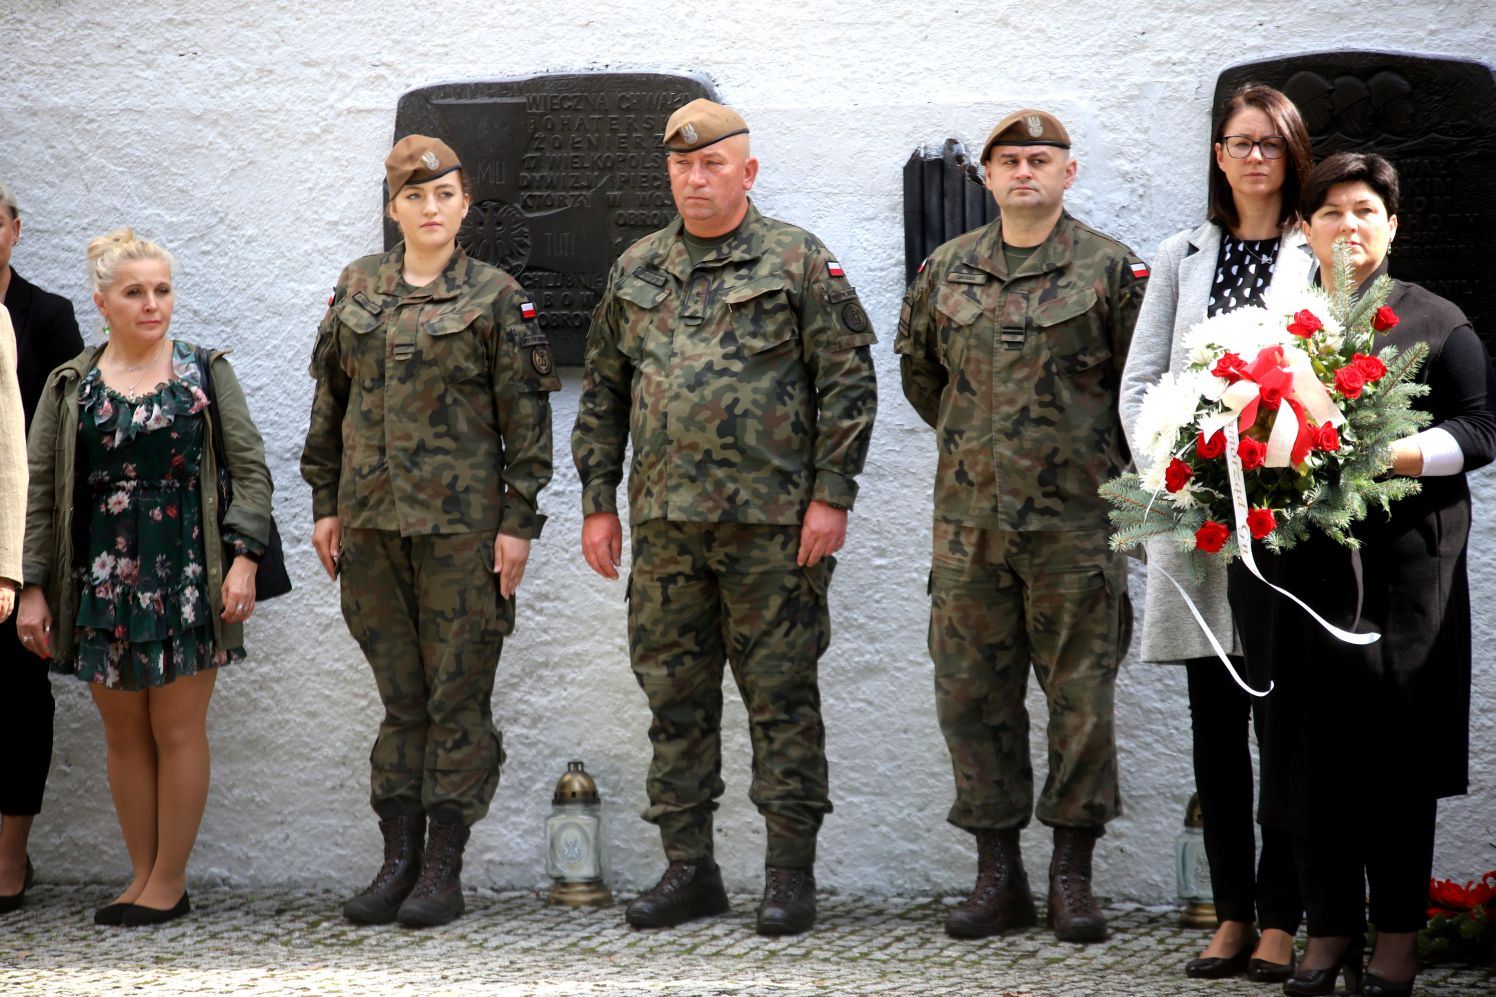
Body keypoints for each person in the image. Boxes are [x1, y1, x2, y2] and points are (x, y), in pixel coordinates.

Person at [572, 98, 877, 936]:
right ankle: (690, 868)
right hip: (667, 529)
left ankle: (788, 875)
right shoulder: (637, 268)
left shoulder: (797, 261)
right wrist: (599, 502)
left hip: (774, 531)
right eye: (681, 165)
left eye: (712, 165)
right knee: (675, 700)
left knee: (781, 698)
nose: (695, 178)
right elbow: (602, 393)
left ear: (747, 171)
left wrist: (830, 495)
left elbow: (848, 385)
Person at [1229, 152, 1496, 997]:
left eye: (1366, 212)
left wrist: (1381, 454)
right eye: (1332, 212)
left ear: (1392, 227)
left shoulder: (1436, 319)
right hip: (1300, 578)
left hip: (1404, 576)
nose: (1349, 226)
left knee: (1393, 764)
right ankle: (1330, 930)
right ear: (1304, 227)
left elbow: (1480, 430)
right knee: (1307, 759)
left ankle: (1398, 941)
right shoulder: (1271, 324)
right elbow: (1231, 428)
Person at [896, 108, 1145, 944]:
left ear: (1068, 173)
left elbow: (1139, 389)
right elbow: (922, 378)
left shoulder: (1112, 271)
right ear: (988, 177)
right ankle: (996, 875)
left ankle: (1071, 876)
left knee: (1082, 700)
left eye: (1041, 159)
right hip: (969, 528)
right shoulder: (946, 270)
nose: (1024, 172)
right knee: (972, 699)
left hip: (1077, 525)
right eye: (1009, 161)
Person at [302, 135, 560, 928]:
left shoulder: (493, 295)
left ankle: (443, 867)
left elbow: (529, 423)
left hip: (461, 534)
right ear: (394, 209)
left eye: (444, 194)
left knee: (457, 698)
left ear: (465, 204)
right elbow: (330, 406)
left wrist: (518, 524)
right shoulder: (358, 286)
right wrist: (324, 502)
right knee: (400, 699)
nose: (431, 208)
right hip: (373, 529)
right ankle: (397, 861)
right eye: (415, 197)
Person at [17, 228, 272, 926]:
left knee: (179, 727)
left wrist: (245, 557)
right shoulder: (73, 383)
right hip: (100, 578)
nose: (152, 303)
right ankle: (139, 874)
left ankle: (169, 879)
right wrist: (32, 584)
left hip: (189, 569)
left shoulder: (203, 370)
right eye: (135, 291)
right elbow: (39, 490)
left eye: (161, 289)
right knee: (124, 732)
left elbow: (250, 470)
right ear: (102, 302)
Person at [1118, 84, 1312, 981]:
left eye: (1270, 143)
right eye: (1240, 142)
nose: (1255, 158)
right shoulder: (1181, 253)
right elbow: (1141, 381)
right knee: (1214, 726)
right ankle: (1230, 913)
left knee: (1285, 728)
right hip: (1198, 521)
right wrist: (1176, 468)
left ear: (1292, 152)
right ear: (1219, 154)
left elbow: (1338, 377)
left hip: (1285, 520)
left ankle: (1283, 915)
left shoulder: (1319, 249)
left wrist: (1287, 468)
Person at [0, 182, 84, 911]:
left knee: (17, 701)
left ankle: (8, 862)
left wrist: (34, 571)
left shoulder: (47, 316)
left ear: (15, 230)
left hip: (17, 534)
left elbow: (63, 436)